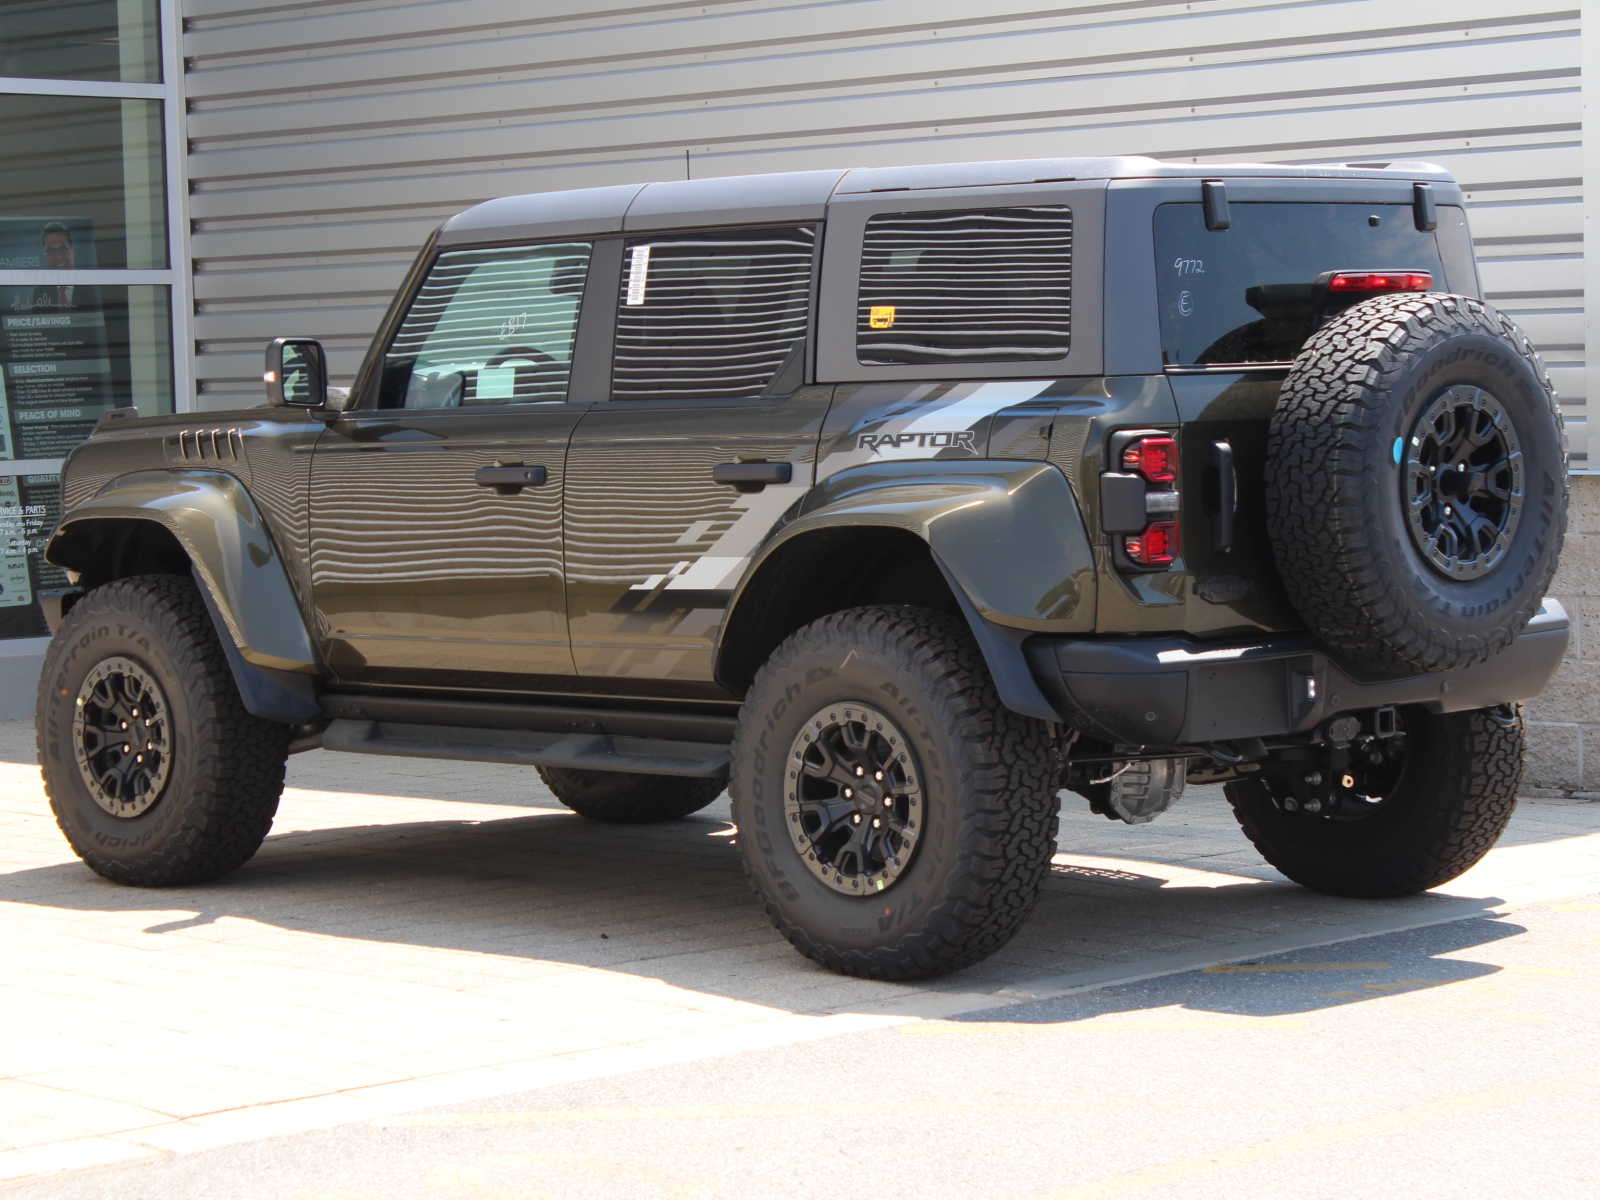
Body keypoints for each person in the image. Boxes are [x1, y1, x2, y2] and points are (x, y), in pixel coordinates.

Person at [29, 223, 99, 311]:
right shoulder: (39, 292)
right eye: (51, 250)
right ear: (45, 255)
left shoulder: (92, 288)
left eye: (62, 249)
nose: (58, 256)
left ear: (72, 250)